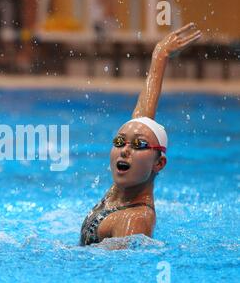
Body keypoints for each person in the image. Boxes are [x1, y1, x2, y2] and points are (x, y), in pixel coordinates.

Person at [80, 23, 202, 247]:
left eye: (138, 145)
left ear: (159, 163)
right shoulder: (122, 193)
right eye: (119, 142)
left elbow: (114, 276)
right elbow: (142, 117)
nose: (125, 150)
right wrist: (160, 54)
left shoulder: (134, 220)